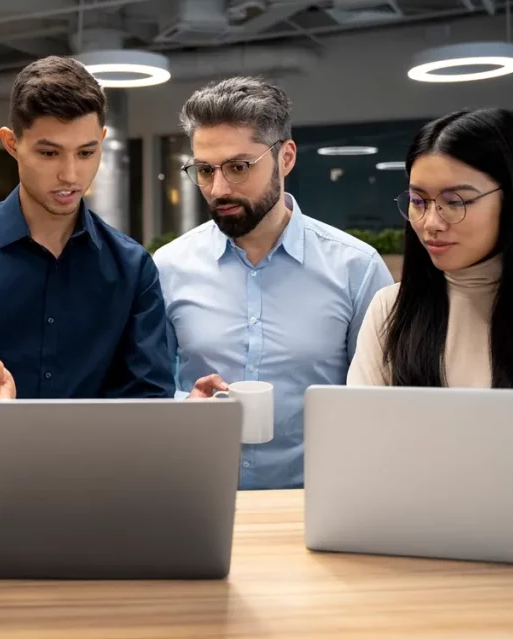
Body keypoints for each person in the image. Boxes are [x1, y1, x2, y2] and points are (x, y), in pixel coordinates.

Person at [153, 77, 393, 490]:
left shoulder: (356, 268)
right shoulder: (169, 267)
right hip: (199, 495)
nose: (219, 188)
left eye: (239, 167)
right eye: (205, 170)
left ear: (285, 157)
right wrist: (183, 406)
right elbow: (146, 389)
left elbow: (386, 404)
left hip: (319, 502)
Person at [0, 56, 173, 400]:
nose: (70, 175)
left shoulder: (133, 268)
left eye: (85, 152)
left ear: (102, 140)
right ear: (11, 144)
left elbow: (150, 399)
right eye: (49, 153)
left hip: (100, 455)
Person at [348, 108, 513, 389]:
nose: (431, 223)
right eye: (418, 201)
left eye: (455, 202)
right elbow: (363, 427)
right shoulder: (390, 309)